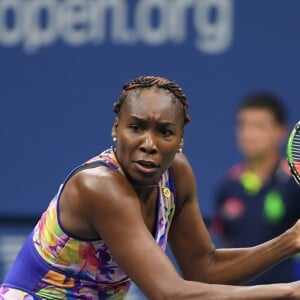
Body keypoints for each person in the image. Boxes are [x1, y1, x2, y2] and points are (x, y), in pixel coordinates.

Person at [1, 76, 300, 299]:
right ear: (116, 129)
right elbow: (169, 293)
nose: (149, 144)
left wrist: (290, 241)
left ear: (180, 140)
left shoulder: (177, 174)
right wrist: (289, 292)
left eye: (165, 132)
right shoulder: (98, 187)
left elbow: (204, 268)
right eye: (137, 127)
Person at [211, 92, 300, 284]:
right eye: (243, 125)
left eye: (259, 126)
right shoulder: (227, 186)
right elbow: (225, 249)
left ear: (281, 131)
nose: (248, 134)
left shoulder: (294, 183)